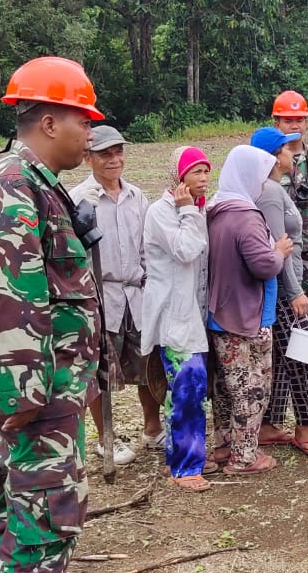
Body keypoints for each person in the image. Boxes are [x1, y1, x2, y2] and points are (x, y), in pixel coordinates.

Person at [0, 57, 104, 573]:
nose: (90, 134)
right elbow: (7, 298)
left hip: (52, 384)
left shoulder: (37, 181)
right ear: (49, 121)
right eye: (83, 120)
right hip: (35, 390)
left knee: (35, 503)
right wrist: (25, 398)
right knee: (40, 505)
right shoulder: (12, 184)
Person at [69, 125, 155, 466]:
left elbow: (147, 247)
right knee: (100, 371)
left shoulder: (138, 197)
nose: (114, 159)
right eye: (105, 153)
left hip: (136, 294)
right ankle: (107, 437)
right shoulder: (77, 200)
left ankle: (153, 428)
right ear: (88, 157)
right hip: (100, 296)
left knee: (147, 366)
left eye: (118, 152)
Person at [206, 145, 291, 474]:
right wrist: (279, 251)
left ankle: (225, 446)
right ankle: (245, 457)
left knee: (227, 388)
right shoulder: (246, 217)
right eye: (262, 174)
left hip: (220, 313)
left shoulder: (217, 208)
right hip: (245, 317)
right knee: (252, 387)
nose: (264, 182)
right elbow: (262, 265)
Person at [251, 126, 308, 457]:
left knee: (282, 356)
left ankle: (269, 424)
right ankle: (306, 427)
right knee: (303, 357)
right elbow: (278, 247)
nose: (291, 153)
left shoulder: (270, 188)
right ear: (273, 157)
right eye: (285, 149)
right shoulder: (270, 192)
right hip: (288, 289)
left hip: (288, 285)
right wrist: (296, 291)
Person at [139, 146, 213, 492]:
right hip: (173, 314)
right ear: (178, 176)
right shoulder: (162, 211)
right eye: (196, 171)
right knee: (187, 385)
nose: (203, 178)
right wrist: (187, 212)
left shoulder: (196, 210)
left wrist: (192, 212)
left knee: (192, 385)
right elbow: (185, 250)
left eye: (206, 172)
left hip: (191, 313)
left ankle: (192, 455)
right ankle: (185, 467)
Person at [271, 90, 308, 307]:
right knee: (278, 309)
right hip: (277, 245)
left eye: (300, 120)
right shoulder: (268, 158)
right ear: (276, 123)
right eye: (288, 121)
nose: (295, 126)